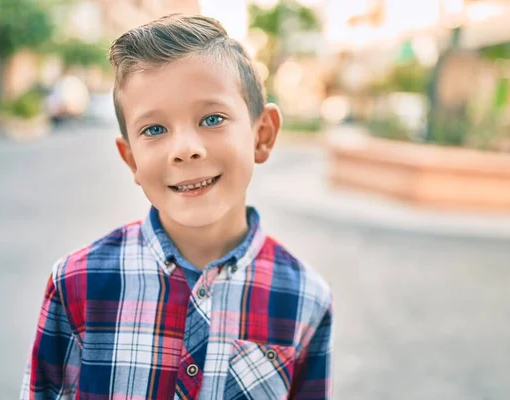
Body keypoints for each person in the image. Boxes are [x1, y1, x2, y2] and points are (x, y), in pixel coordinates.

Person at [20, 14, 333, 400]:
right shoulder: (75, 285)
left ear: (262, 135)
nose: (186, 149)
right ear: (131, 158)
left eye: (212, 118)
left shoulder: (305, 298)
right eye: (154, 129)